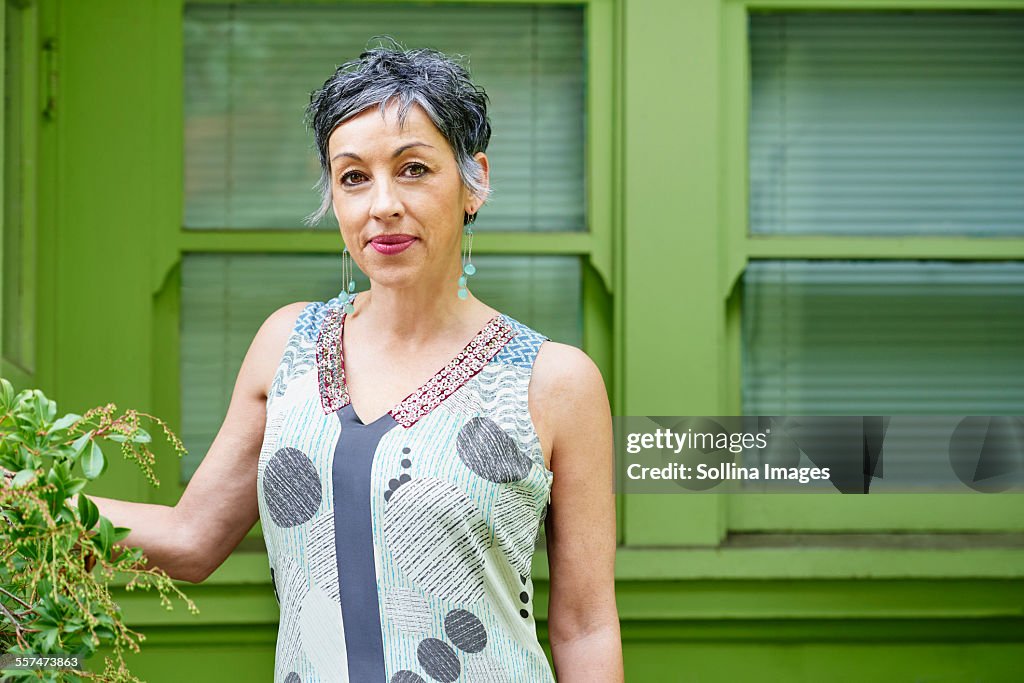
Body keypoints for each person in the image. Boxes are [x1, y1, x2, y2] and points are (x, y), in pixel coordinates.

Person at [31, 42, 622, 682]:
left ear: (473, 182)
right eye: (353, 177)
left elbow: (585, 626)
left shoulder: (554, 381)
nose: (382, 205)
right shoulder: (287, 348)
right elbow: (190, 540)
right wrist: (19, 503)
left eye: (415, 169)